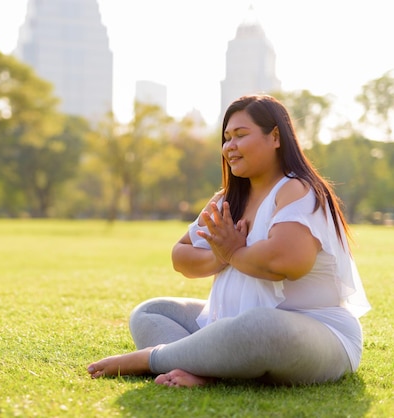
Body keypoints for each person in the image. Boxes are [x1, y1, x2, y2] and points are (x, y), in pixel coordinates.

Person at [87, 94, 371, 387]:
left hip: (314, 332)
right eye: (226, 138)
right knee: (151, 312)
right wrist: (219, 256)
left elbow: (289, 262)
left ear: (275, 137)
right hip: (230, 324)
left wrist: (234, 252)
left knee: (259, 326)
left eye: (240, 135)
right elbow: (181, 256)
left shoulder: (297, 190)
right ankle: (205, 370)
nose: (229, 147)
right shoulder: (227, 199)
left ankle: (152, 359)